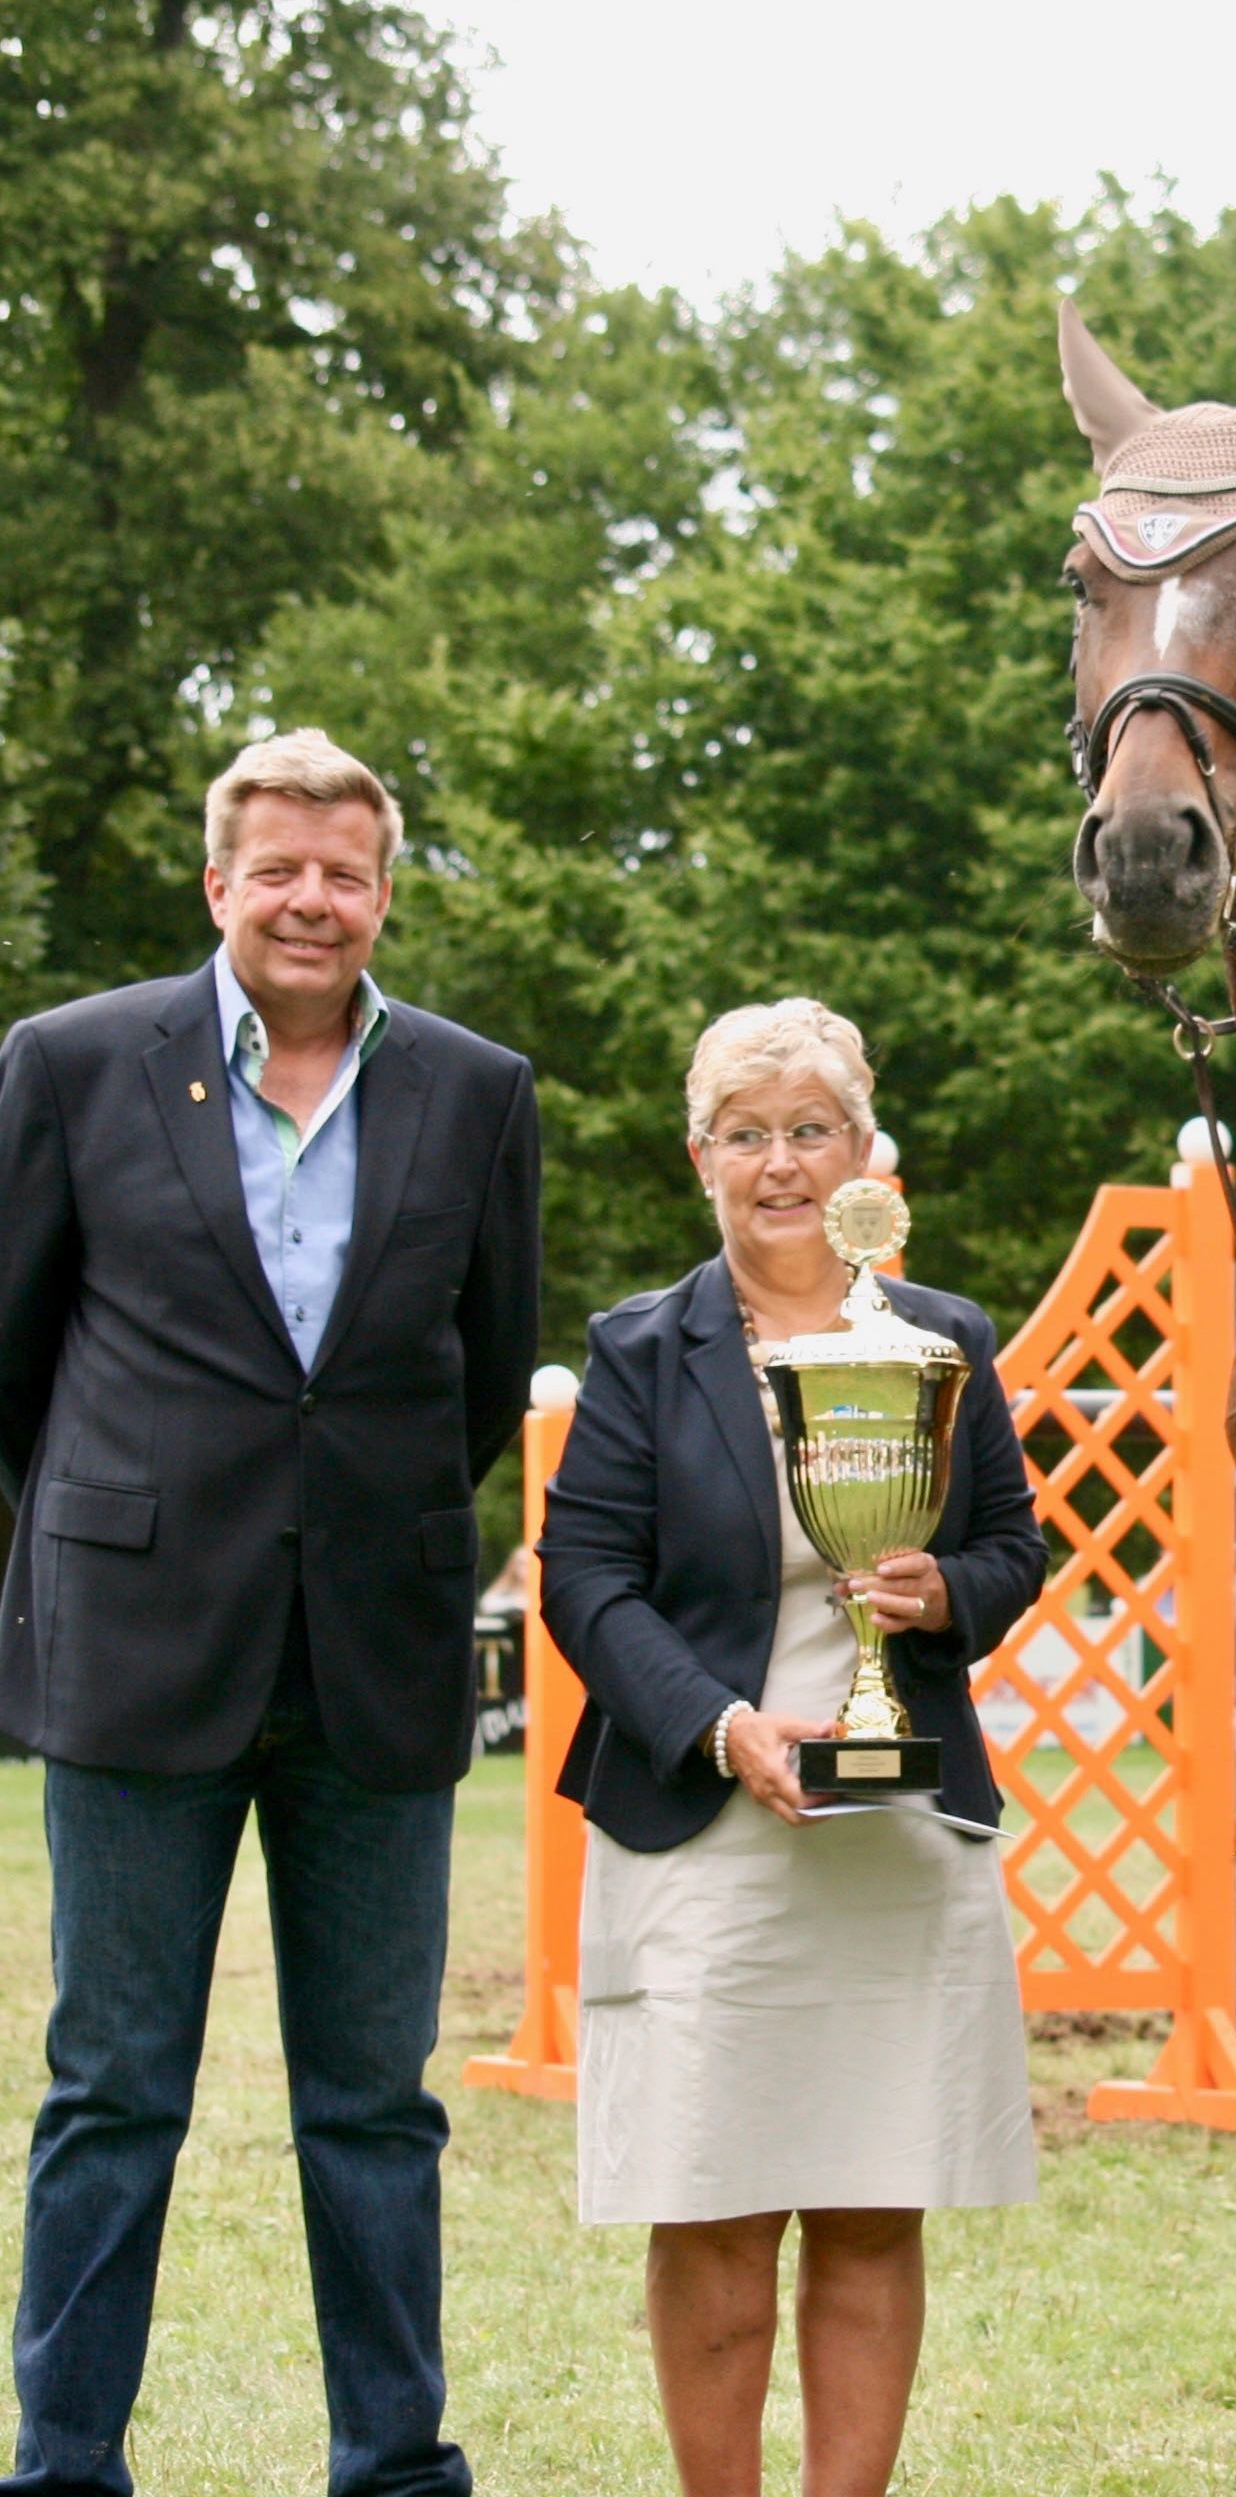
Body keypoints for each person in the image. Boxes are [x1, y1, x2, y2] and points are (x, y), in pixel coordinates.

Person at [0, 732, 540, 2497]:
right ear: (217, 883)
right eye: (279, 867)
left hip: (376, 1658)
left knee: (375, 2105)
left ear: (385, 892)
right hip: (141, 1646)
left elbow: (474, 1376)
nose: (314, 898)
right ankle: (65, 2458)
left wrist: (348, 1524)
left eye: (347, 870)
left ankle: (392, 2462)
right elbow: (15, 1361)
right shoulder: (74, 1063)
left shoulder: (475, 1090)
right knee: (112, 2087)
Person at [536, 1000, 1040, 2497]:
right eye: (746, 1134)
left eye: (809, 1129)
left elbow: (1015, 1544)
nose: (780, 1165)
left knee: (880, 2206)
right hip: (706, 1831)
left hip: (900, 1833)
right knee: (714, 2208)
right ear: (701, 1157)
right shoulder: (638, 1348)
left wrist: (947, 1588)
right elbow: (584, 1581)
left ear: (862, 1150)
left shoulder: (942, 1336)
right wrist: (721, 1725)